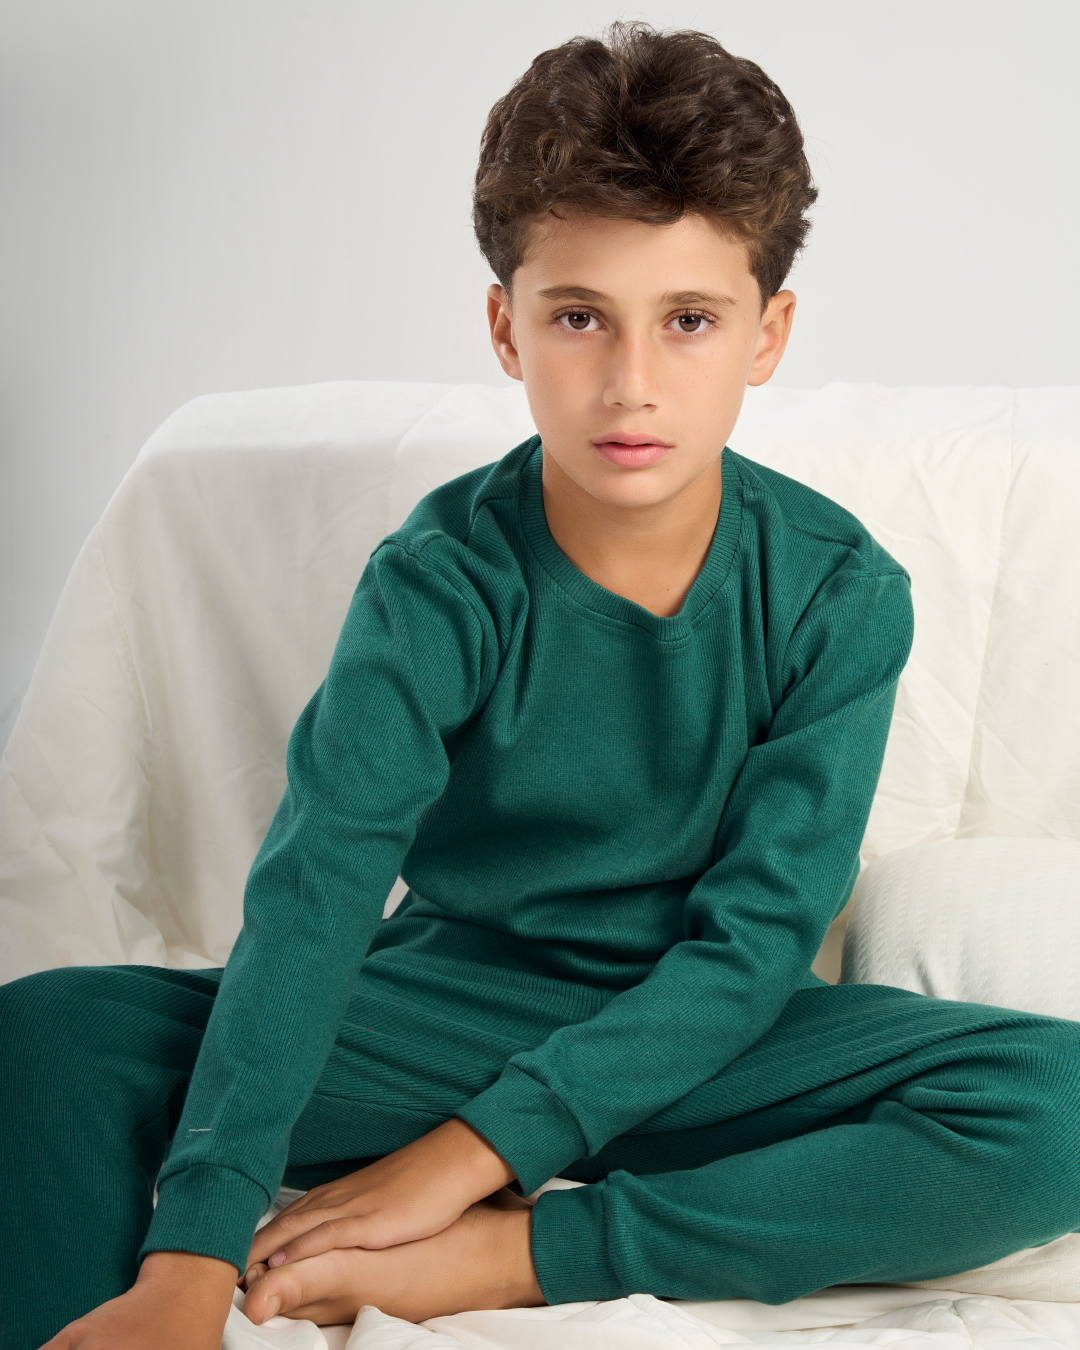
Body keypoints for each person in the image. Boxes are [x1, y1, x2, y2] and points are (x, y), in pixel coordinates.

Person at [3, 21, 1079, 1350]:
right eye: (579, 317)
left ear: (767, 333)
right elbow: (318, 888)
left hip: (711, 1034)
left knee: (1058, 1103)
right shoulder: (442, 577)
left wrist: (467, 1177)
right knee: (49, 1035)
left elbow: (751, 948)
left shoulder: (839, 593)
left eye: (689, 321)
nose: (632, 384)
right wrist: (193, 1248)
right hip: (445, 1013)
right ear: (506, 328)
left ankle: (521, 1253)